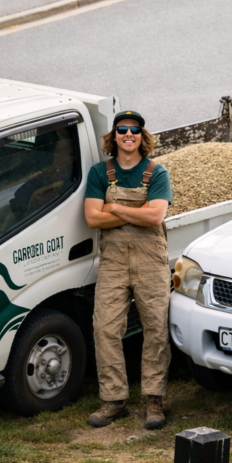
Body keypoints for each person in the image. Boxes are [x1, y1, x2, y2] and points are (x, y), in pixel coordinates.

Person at [83, 111, 173, 430]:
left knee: (156, 328)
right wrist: (138, 210)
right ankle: (114, 399)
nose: (128, 134)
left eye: (135, 130)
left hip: (150, 259)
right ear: (115, 136)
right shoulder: (99, 173)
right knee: (105, 327)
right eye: (122, 129)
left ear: (142, 136)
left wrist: (115, 207)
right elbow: (93, 219)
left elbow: (155, 218)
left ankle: (154, 399)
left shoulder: (157, 172)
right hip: (115, 260)